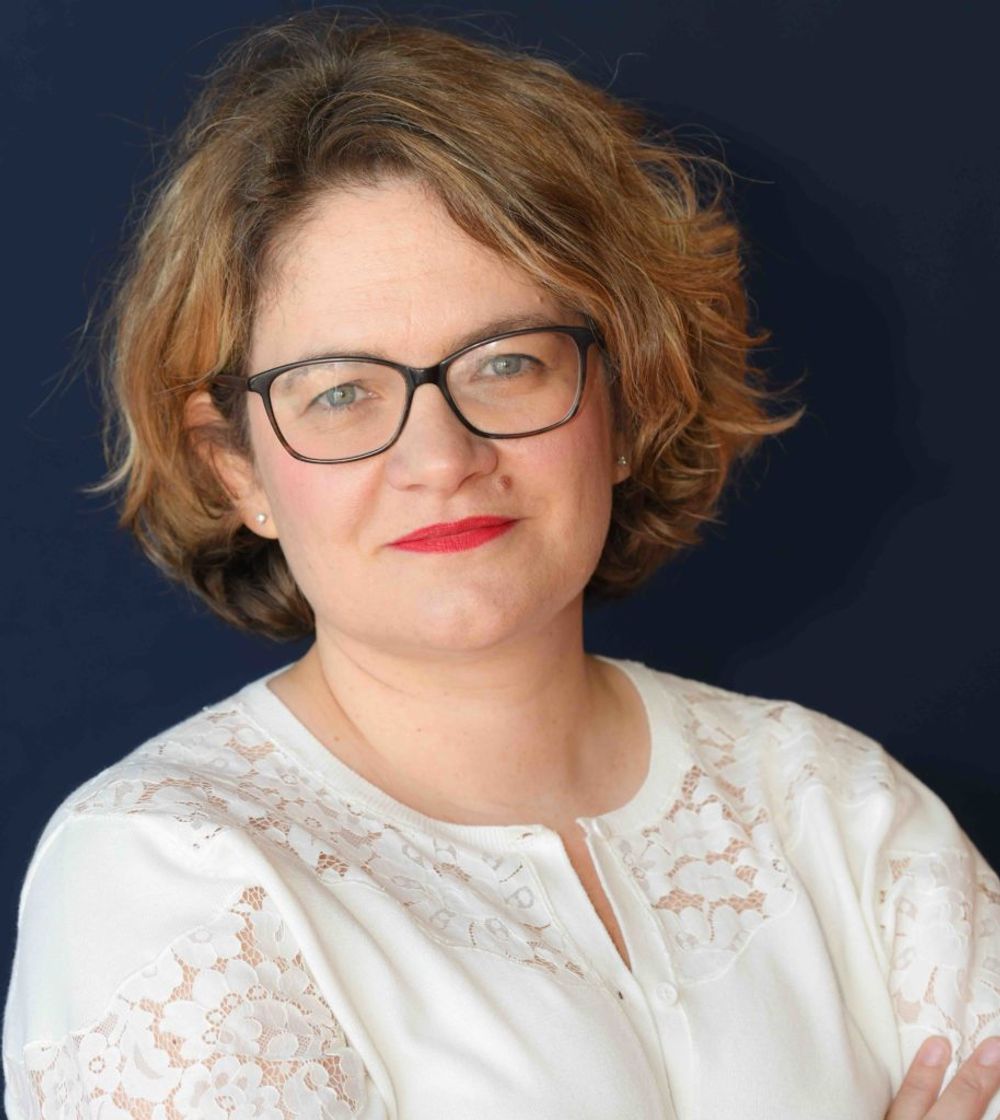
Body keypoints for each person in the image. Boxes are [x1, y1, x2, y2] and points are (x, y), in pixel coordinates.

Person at [2, 9, 998, 1119]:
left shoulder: (837, 808)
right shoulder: (168, 870)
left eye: (507, 363)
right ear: (235, 467)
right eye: (341, 392)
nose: (441, 458)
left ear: (626, 402)